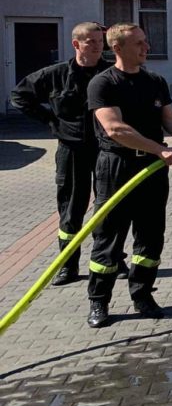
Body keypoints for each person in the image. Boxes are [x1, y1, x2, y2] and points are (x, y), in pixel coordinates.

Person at [85, 23, 172, 328]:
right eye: (138, 43)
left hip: (152, 169)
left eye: (146, 41)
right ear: (117, 48)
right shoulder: (103, 83)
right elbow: (115, 129)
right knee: (109, 237)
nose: (146, 48)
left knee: (150, 236)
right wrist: (160, 150)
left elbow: (171, 121)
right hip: (117, 166)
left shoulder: (154, 81)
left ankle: (142, 295)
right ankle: (99, 302)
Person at [9, 22, 109, 286]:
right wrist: (50, 121)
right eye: (91, 42)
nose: (98, 46)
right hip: (71, 149)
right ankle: (68, 266)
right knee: (71, 209)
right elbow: (19, 96)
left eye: (101, 42)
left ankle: (111, 260)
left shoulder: (109, 74)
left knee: (108, 207)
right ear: (76, 44)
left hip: (105, 150)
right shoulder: (56, 74)